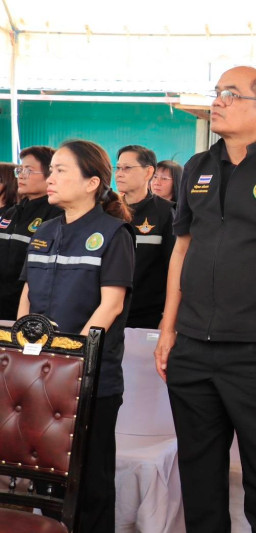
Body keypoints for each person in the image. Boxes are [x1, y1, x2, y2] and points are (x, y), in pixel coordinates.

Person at [154, 66, 256, 533]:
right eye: (217, 92)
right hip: (193, 346)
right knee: (199, 470)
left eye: (231, 94)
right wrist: (168, 329)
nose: (218, 101)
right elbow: (181, 251)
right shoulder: (197, 168)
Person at [18, 139, 135, 532]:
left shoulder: (114, 233)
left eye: (61, 170)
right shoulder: (44, 231)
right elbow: (27, 297)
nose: (50, 178)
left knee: (90, 483)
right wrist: (25, 353)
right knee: (46, 480)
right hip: (38, 376)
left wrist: (70, 360)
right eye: (51, 170)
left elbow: (111, 306)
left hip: (88, 381)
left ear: (92, 182)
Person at [116, 145, 175, 328]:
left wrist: (168, 318)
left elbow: (175, 268)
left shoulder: (165, 212)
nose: (119, 174)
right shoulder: (108, 210)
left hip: (148, 318)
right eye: (118, 168)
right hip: (109, 315)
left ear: (148, 172)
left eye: (127, 168)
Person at [0, 147, 62, 320]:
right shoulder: (11, 213)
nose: (21, 175)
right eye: (20, 170)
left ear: (50, 175)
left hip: (28, 313)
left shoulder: (56, 215)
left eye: (28, 170)